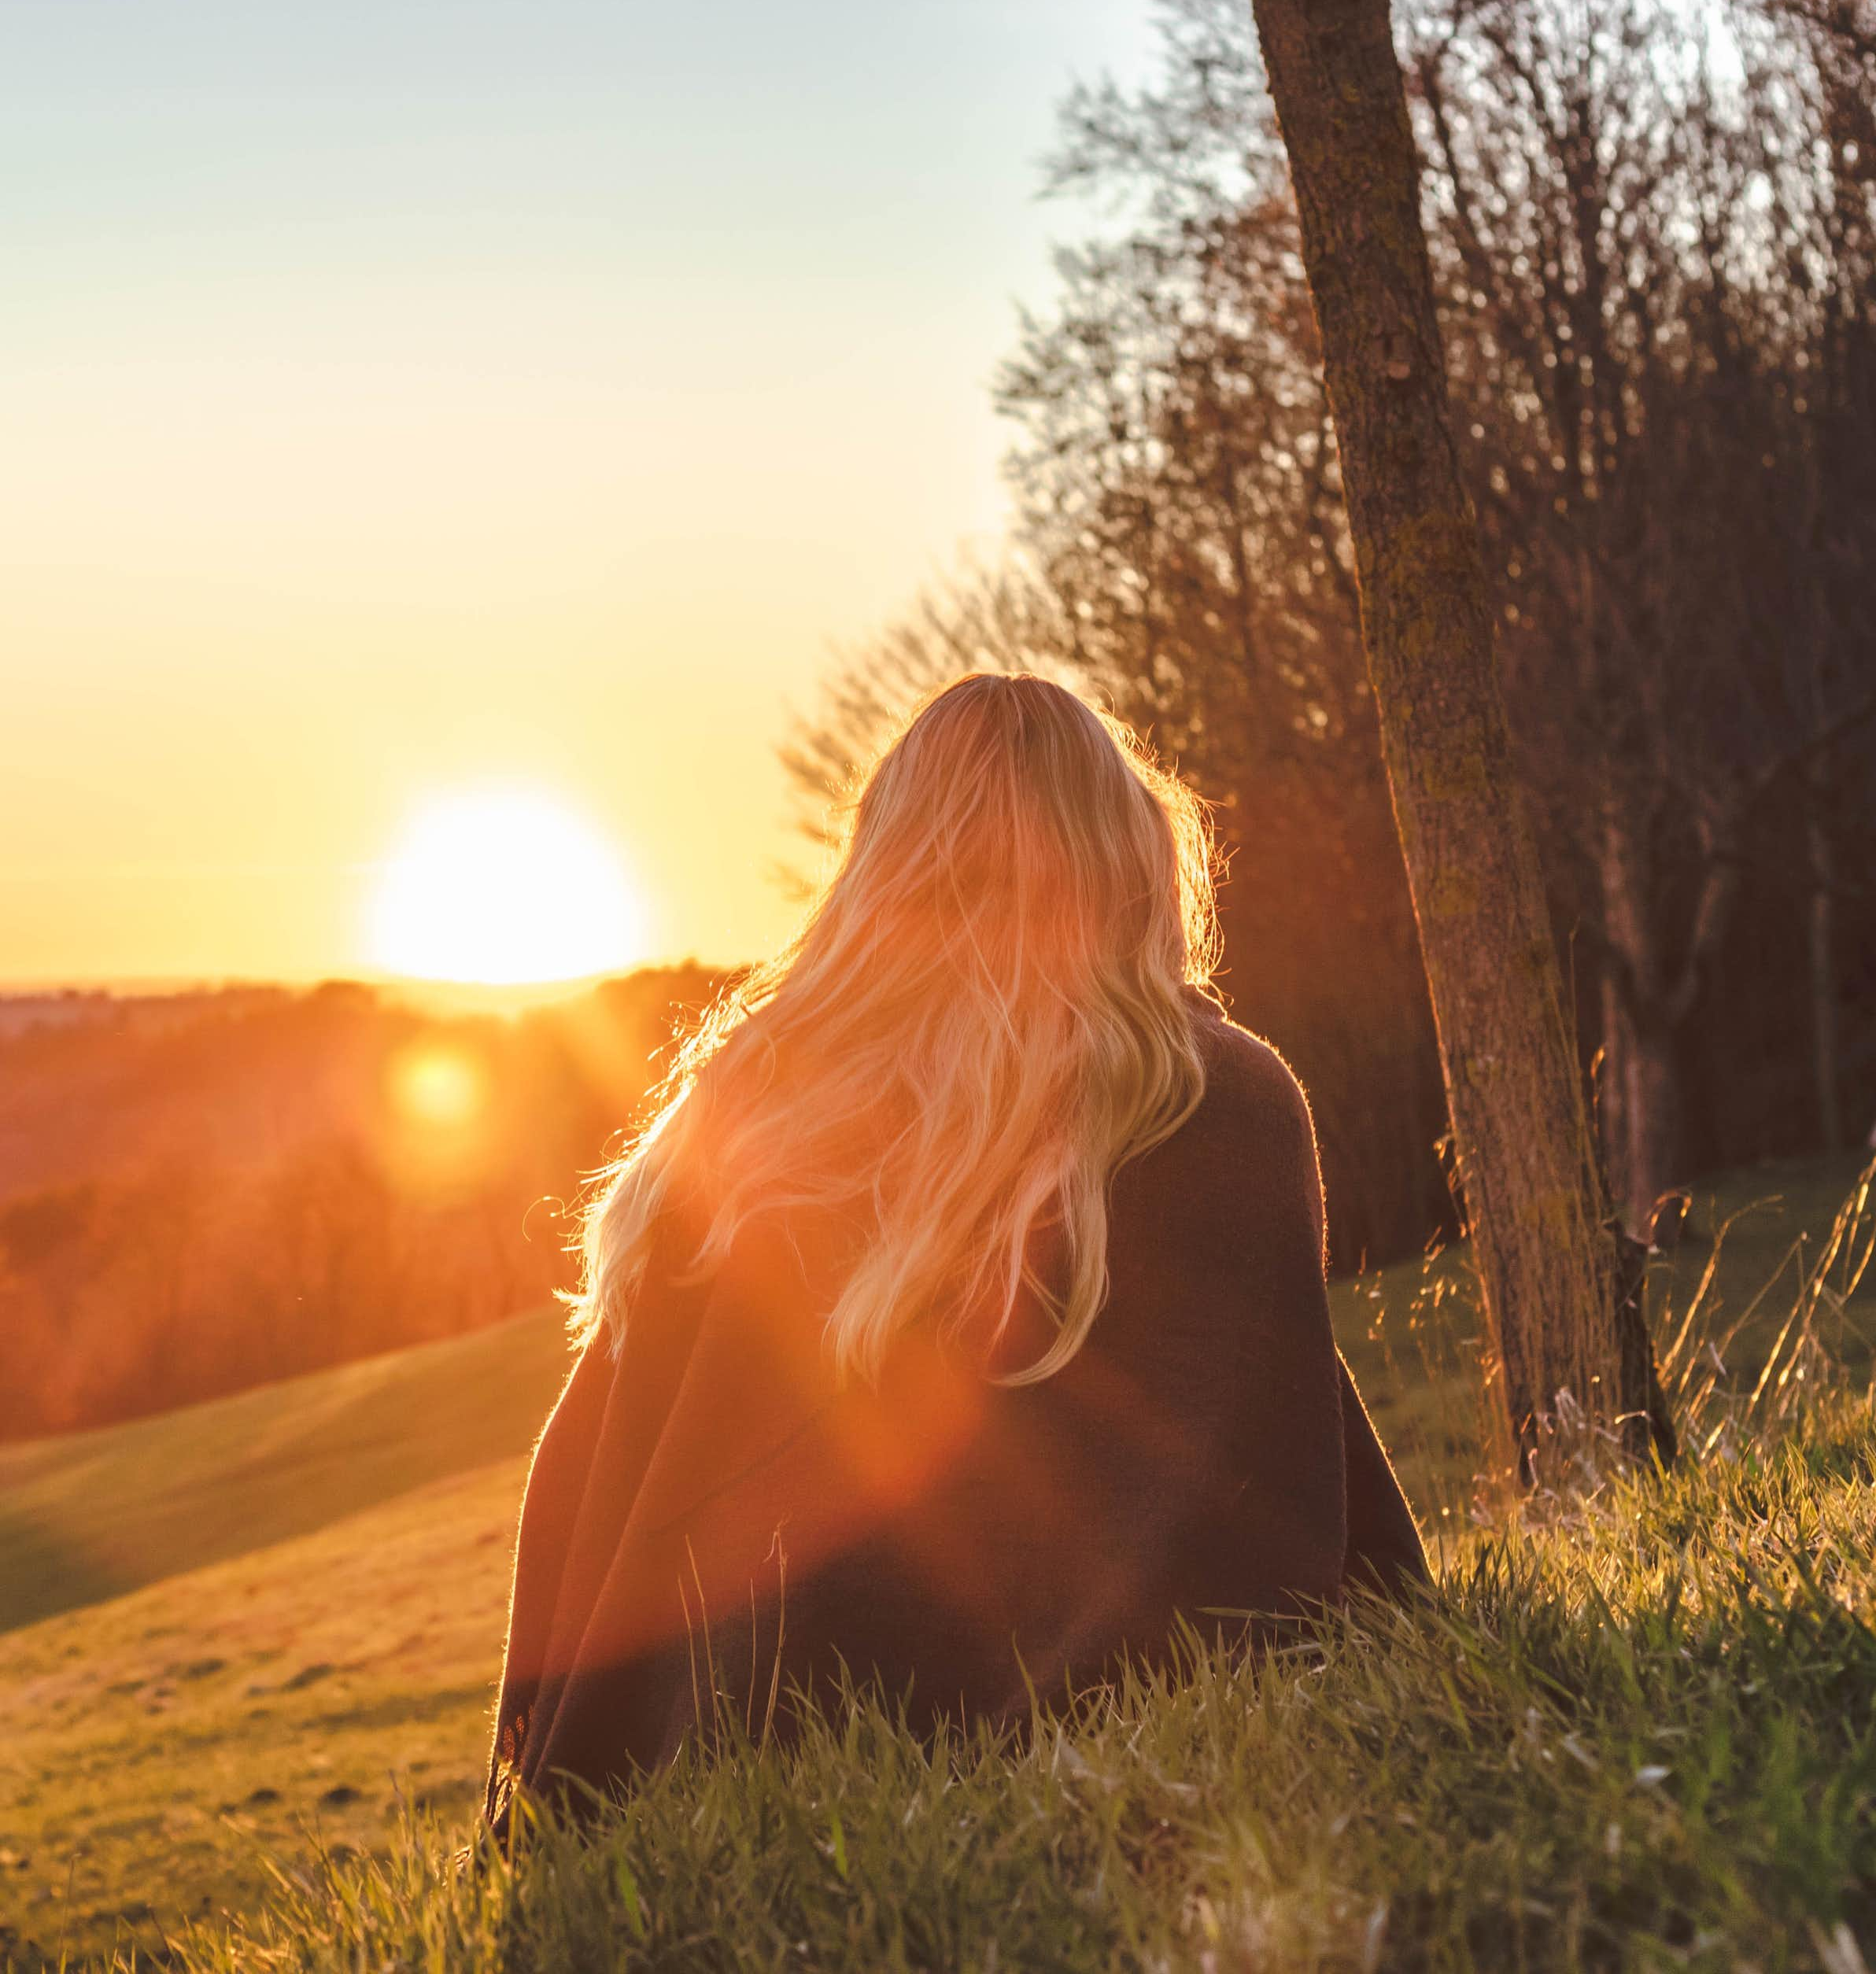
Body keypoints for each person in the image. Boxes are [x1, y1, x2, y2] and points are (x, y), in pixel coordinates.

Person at [486, 673, 1425, 1823]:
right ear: (1126, 858)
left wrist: (546, 1773)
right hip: (1029, 1752)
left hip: (717, 1757)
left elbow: (581, 1476)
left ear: (880, 868)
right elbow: (1256, 1469)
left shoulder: (739, 1115)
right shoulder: (1209, 1095)